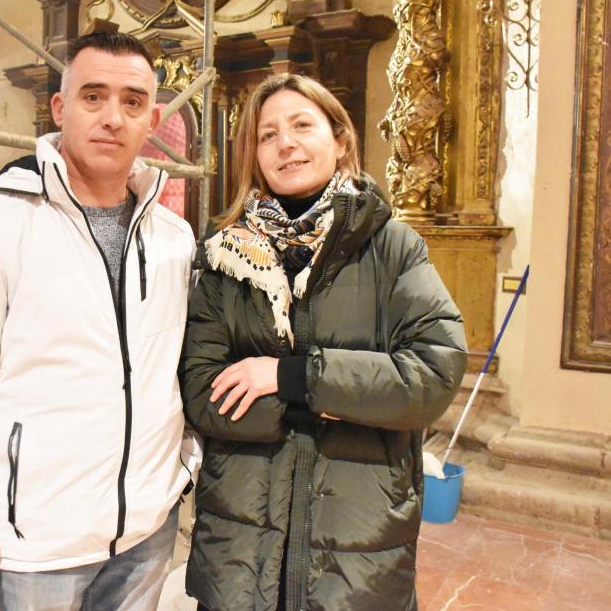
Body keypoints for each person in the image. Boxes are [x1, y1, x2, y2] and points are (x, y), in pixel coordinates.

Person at [0, 32, 200, 611]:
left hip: (147, 536)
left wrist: (180, 473)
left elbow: (174, 373)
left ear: (153, 120)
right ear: (61, 109)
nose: (113, 117)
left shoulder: (173, 238)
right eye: (93, 96)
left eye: (132, 102)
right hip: (34, 553)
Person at [181, 73, 467, 611]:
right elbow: (201, 392)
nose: (285, 143)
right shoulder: (223, 259)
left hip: (356, 550)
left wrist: (292, 378)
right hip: (242, 554)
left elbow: (431, 376)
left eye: (301, 125)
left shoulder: (392, 249)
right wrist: (348, 398)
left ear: (340, 140)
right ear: (254, 155)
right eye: (267, 135)